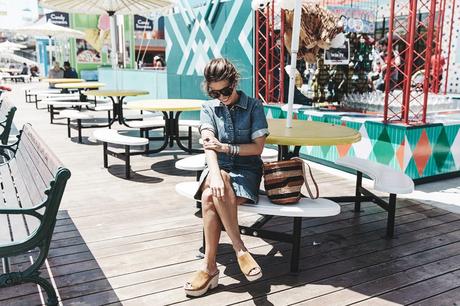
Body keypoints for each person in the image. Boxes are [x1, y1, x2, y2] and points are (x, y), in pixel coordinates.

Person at [184, 58, 269, 297]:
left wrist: (227, 149)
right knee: (215, 186)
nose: (221, 96)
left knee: (209, 197)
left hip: (246, 171)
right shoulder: (208, 108)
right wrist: (216, 175)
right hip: (216, 169)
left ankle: (209, 268)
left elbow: (257, 148)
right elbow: (208, 145)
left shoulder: (254, 107)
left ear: (235, 82)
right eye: (214, 92)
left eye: (226, 91)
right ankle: (240, 249)